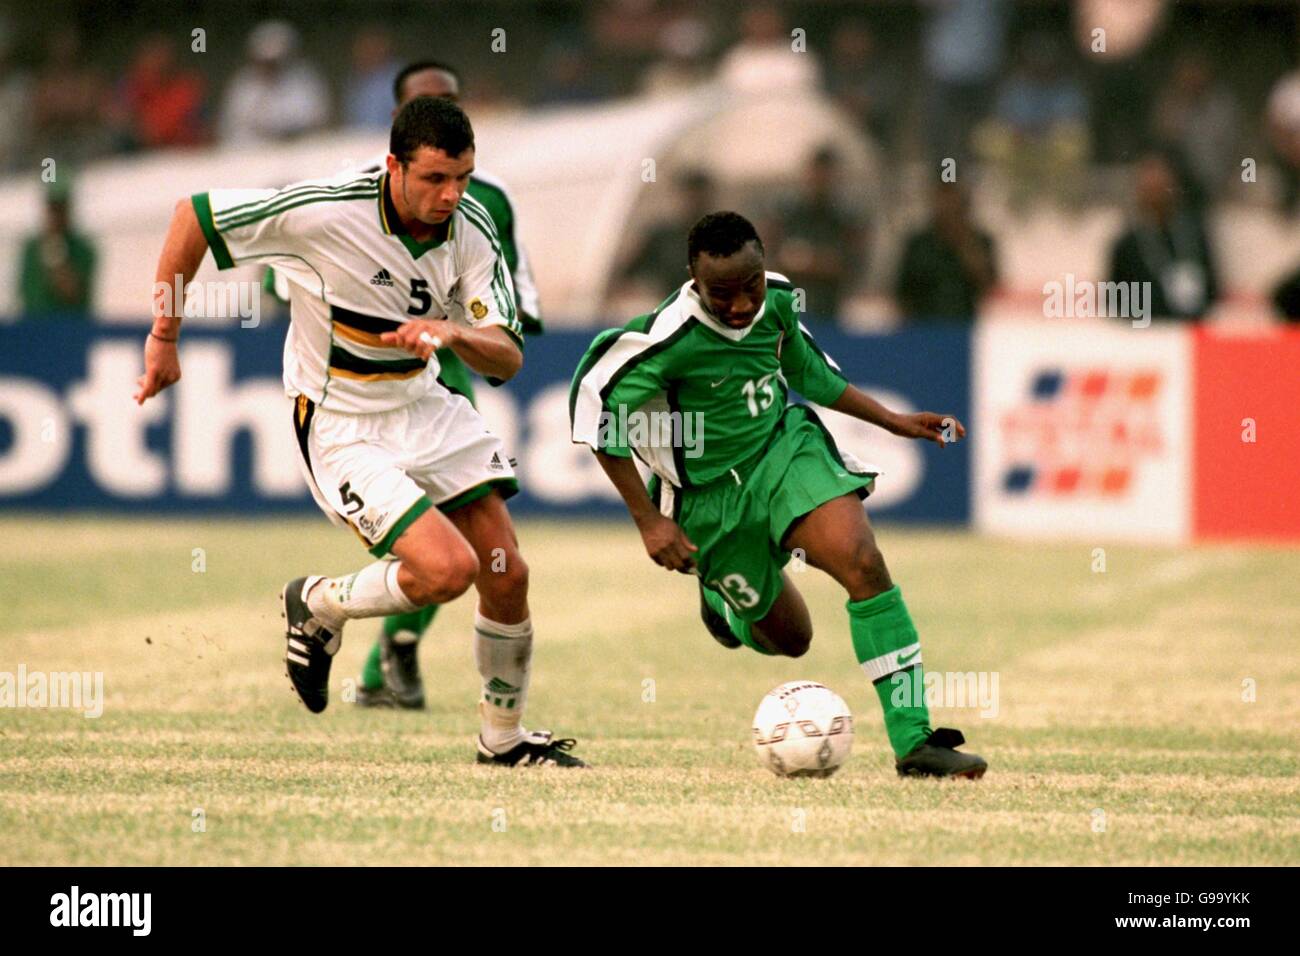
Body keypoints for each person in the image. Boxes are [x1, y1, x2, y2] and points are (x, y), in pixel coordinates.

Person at [137, 97, 584, 768]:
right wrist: (164, 338)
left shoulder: (472, 226)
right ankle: (319, 603)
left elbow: (508, 355)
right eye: (434, 178)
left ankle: (503, 740)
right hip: (342, 419)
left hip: (423, 405)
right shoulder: (324, 211)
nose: (450, 194)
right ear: (392, 167)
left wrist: (455, 332)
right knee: (448, 570)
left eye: (462, 177)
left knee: (506, 570)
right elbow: (190, 216)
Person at [570, 211, 987, 779]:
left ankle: (916, 742)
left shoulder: (781, 303)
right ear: (695, 281)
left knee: (862, 562)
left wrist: (892, 421)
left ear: (765, 269)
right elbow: (597, 416)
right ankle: (721, 604)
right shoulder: (665, 338)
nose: (742, 305)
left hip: (782, 453)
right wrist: (649, 521)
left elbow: (810, 374)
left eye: (752, 287)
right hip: (706, 501)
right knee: (792, 639)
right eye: (723, 294)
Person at [320, 59, 544, 710]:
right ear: (397, 123)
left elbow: (517, 300)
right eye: (427, 106)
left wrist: (468, 327)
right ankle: (382, 651)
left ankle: (394, 657)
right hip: (361, 380)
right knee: (442, 549)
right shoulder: (343, 194)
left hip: (445, 377)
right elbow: (287, 281)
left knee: (485, 552)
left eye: (452, 103)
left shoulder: (488, 201)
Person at [1107, 151, 1219, 321]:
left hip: (1191, 329)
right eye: (1149, 188)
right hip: (1147, 335)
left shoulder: (1193, 237)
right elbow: (1116, 298)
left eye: (1160, 186)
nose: (1155, 193)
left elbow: (1212, 287)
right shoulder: (1127, 245)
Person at [894, 181, 997, 322]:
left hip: (962, 325)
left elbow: (988, 285)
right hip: (923, 326)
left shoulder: (979, 241)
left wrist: (965, 243)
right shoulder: (919, 244)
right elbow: (903, 292)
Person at [19, 180, 97, 319]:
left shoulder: (83, 250)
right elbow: (25, 294)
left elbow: (72, 293)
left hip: (70, 329)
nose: (56, 215)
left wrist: (55, 251)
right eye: (52, 208)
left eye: (60, 208)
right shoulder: (31, 249)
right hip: (34, 330)